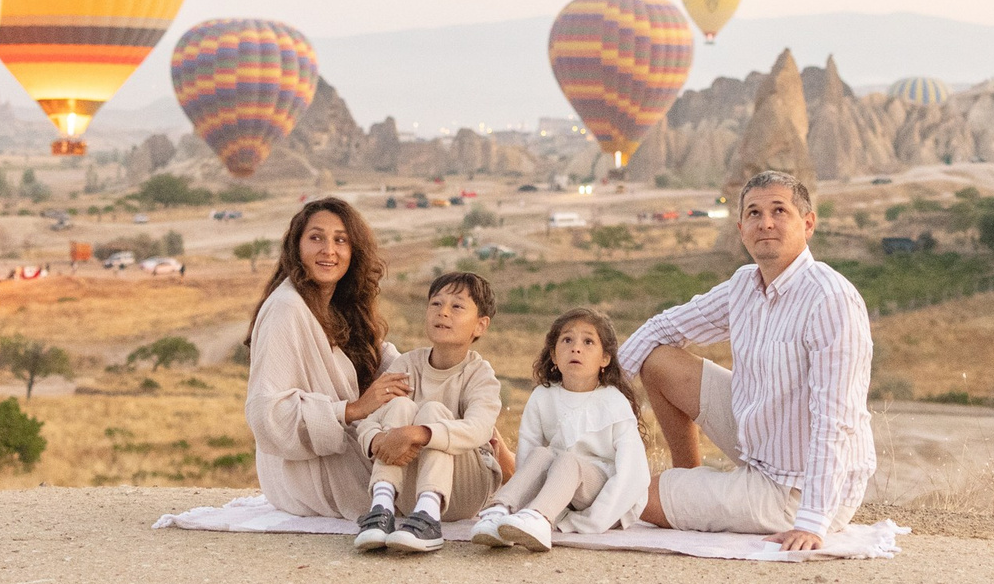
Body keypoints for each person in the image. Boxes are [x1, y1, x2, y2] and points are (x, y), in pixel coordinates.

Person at [618, 170, 874, 552]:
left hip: (797, 489)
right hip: (760, 440)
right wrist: (597, 390)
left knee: (630, 495)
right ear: (741, 229)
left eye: (779, 211)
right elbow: (663, 326)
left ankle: (686, 493)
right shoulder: (744, 285)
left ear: (808, 224)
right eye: (754, 213)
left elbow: (835, 420)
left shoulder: (830, 300)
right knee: (657, 359)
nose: (765, 222)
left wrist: (812, 522)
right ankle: (688, 477)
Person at [243, 197, 409, 518]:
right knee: (436, 478)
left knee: (438, 425)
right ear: (297, 247)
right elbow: (268, 416)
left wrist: (445, 377)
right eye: (316, 237)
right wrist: (353, 410)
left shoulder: (344, 306)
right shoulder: (286, 309)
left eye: (340, 240)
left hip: (348, 447)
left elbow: (390, 364)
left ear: (353, 251)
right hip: (305, 473)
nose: (328, 250)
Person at [472, 305, 648, 553]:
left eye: (588, 342)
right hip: (556, 487)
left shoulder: (613, 401)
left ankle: (539, 518)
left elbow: (633, 471)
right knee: (541, 454)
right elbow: (527, 455)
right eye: (567, 340)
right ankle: (501, 511)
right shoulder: (543, 396)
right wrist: (523, 500)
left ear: (605, 359)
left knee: (567, 460)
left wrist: (595, 519)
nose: (576, 348)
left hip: (599, 492)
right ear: (554, 355)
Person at [353, 270, 503, 554]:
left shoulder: (480, 374)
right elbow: (368, 421)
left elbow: (479, 429)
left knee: (433, 410)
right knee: (398, 405)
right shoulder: (407, 364)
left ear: (480, 325)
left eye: (457, 306)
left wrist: (418, 433)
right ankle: (382, 508)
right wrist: (377, 441)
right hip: (408, 493)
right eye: (436, 303)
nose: (443, 312)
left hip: (464, 491)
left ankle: (430, 518)